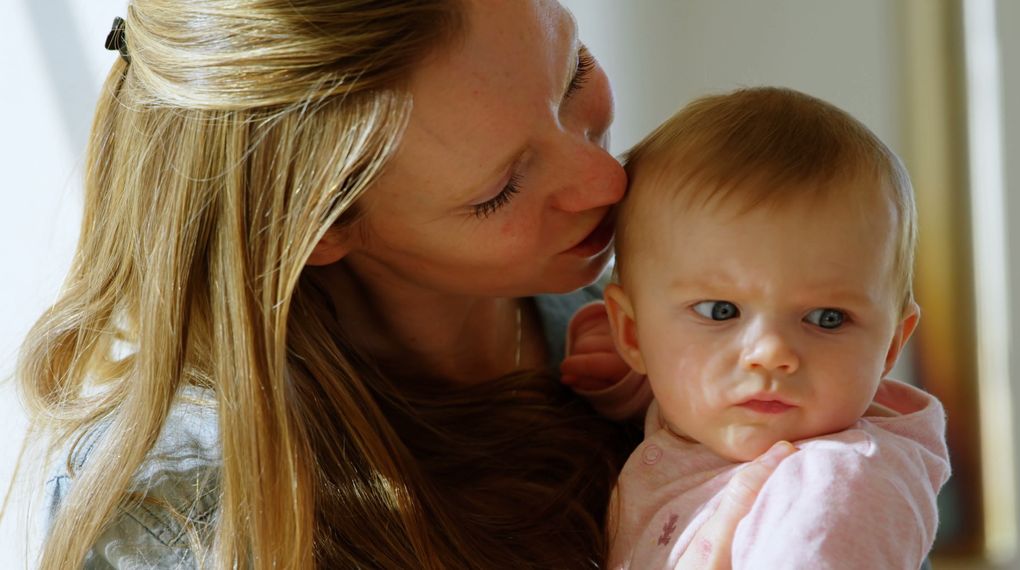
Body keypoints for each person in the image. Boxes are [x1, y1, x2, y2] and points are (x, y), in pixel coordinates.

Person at [15, 2, 792, 568]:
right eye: (500, 188)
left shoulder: (657, 319)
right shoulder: (182, 509)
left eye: (573, 73)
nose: (606, 180)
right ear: (323, 228)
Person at [561, 88, 951, 569]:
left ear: (891, 345)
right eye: (720, 312)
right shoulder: (708, 406)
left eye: (827, 319)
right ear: (633, 334)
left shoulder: (840, 487)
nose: (770, 353)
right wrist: (628, 382)